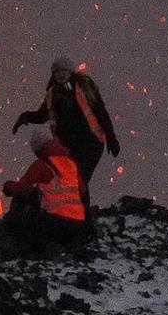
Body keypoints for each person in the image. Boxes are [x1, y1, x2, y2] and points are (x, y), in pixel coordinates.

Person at [12, 56, 119, 217]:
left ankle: (81, 217)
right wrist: (25, 117)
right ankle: (76, 215)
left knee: (79, 177)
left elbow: (100, 111)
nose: (61, 74)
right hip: (69, 146)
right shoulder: (53, 94)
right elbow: (43, 115)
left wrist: (111, 137)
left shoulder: (84, 87)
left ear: (70, 71)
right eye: (57, 72)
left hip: (91, 142)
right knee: (73, 179)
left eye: (64, 71)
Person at [0, 126, 87, 250]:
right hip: (77, 227)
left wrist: (8, 186)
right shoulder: (71, 164)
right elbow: (82, 191)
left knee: (20, 211)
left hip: (55, 223)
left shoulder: (42, 165)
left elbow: (21, 188)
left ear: (38, 149)